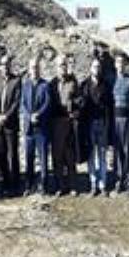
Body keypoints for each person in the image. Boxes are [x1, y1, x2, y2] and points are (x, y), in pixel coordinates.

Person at [80, 57, 113, 197]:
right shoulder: (84, 85)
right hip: (89, 125)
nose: (96, 69)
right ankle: (93, 184)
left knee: (102, 155)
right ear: (90, 68)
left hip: (102, 124)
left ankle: (103, 184)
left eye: (98, 66)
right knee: (91, 156)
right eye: (94, 66)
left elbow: (110, 106)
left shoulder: (106, 85)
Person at [49, 54, 80, 197]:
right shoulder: (51, 84)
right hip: (56, 123)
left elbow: (79, 99)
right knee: (57, 157)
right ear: (56, 67)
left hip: (69, 122)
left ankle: (73, 185)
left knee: (70, 156)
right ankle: (60, 186)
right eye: (60, 65)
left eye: (64, 65)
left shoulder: (73, 82)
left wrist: (76, 110)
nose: (63, 67)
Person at [0, 55, 21, 192]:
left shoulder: (16, 81)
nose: (5, 67)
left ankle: (15, 182)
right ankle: (6, 182)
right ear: (0, 67)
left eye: (7, 64)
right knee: (1, 153)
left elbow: (16, 102)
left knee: (12, 154)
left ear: (10, 65)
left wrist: (6, 116)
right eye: (3, 64)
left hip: (10, 124)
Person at [21, 57, 51, 195]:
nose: (34, 70)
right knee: (29, 157)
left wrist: (37, 114)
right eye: (32, 67)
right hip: (29, 128)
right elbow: (23, 104)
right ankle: (29, 185)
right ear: (29, 69)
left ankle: (44, 185)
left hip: (41, 127)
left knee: (43, 158)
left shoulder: (45, 85)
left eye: (36, 67)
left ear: (40, 69)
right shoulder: (25, 85)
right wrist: (29, 116)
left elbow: (47, 103)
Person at [112, 53, 129, 195]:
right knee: (118, 152)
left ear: (125, 65)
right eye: (118, 62)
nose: (120, 65)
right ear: (115, 64)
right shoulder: (111, 80)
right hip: (115, 121)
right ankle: (118, 179)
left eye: (122, 62)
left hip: (128, 120)